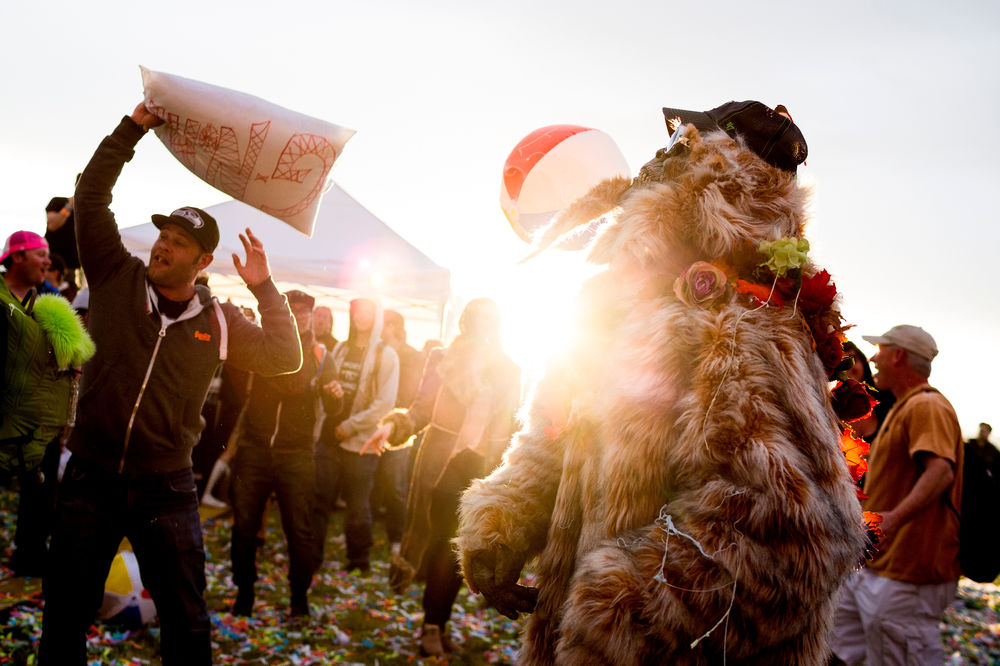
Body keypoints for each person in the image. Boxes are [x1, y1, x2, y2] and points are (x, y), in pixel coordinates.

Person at [39, 102, 302, 665]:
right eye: (163, 234)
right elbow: (89, 197)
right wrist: (132, 128)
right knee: (64, 613)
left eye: (179, 243)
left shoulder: (221, 321)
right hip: (90, 477)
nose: (163, 245)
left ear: (202, 261)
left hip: (166, 488)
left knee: (186, 623)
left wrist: (266, 289)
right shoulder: (114, 276)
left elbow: (284, 357)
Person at [369, 298, 520, 657]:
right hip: (441, 471)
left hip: (481, 473)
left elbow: (512, 425)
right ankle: (432, 625)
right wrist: (393, 425)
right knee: (444, 547)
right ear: (466, 323)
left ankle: (439, 622)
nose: (484, 325)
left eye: (491, 319)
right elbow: (420, 408)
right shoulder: (442, 359)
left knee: (462, 554)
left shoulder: (509, 370)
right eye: (478, 319)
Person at [831, 324, 963, 666]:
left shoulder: (926, 407)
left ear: (898, 356)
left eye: (880, 351)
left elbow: (940, 472)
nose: (873, 358)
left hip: (907, 576)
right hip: (881, 568)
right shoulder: (906, 407)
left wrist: (892, 520)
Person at [229, 290, 337, 618]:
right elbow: (236, 378)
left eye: (306, 312)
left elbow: (334, 407)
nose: (301, 317)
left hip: (297, 455)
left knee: (299, 531)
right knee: (245, 527)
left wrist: (335, 396)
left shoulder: (320, 355)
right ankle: (244, 595)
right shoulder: (262, 343)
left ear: (311, 317)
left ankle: (298, 600)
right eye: (295, 311)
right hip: (255, 449)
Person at [2, 231, 93, 577]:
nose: (47, 261)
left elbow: (76, 359)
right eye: (40, 254)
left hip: (38, 418)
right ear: (17, 257)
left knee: (39, 492)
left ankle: (29, 554)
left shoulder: (51, 301)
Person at [312, 297, 398, 574]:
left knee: (357, 505)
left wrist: (350, 426)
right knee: (319, 498)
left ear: (377, 317)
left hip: (360, 440)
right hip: (329, 435)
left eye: (367, 312)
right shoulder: (340, 348)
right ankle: (311, 557)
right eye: (356, 311)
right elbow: (325, 384)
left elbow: (384, 404)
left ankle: (359, 561)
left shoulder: (386, 354)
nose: (361, 316)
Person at [370, 309, 424, 552]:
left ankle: (396, 538)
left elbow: (415, 397)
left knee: (395, 486)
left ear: (392, 326)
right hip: (377, 425)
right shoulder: (377, 353)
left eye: (382, 324)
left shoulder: (413, 357)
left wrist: (397, 421)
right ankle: (366, 533)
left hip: (400, 429)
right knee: (372, 483)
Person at [842, 340, 895, 442]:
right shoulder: (828, 410)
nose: (850, 368)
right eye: (843, 364)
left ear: (862, 361)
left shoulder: (888, 398)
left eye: (853, 359)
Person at [45, 175, 82, 286]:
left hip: (72, 270)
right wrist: (69, 207)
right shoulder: (58, 202)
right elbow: (52, 225)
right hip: (51, 266)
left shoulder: (89, 212)